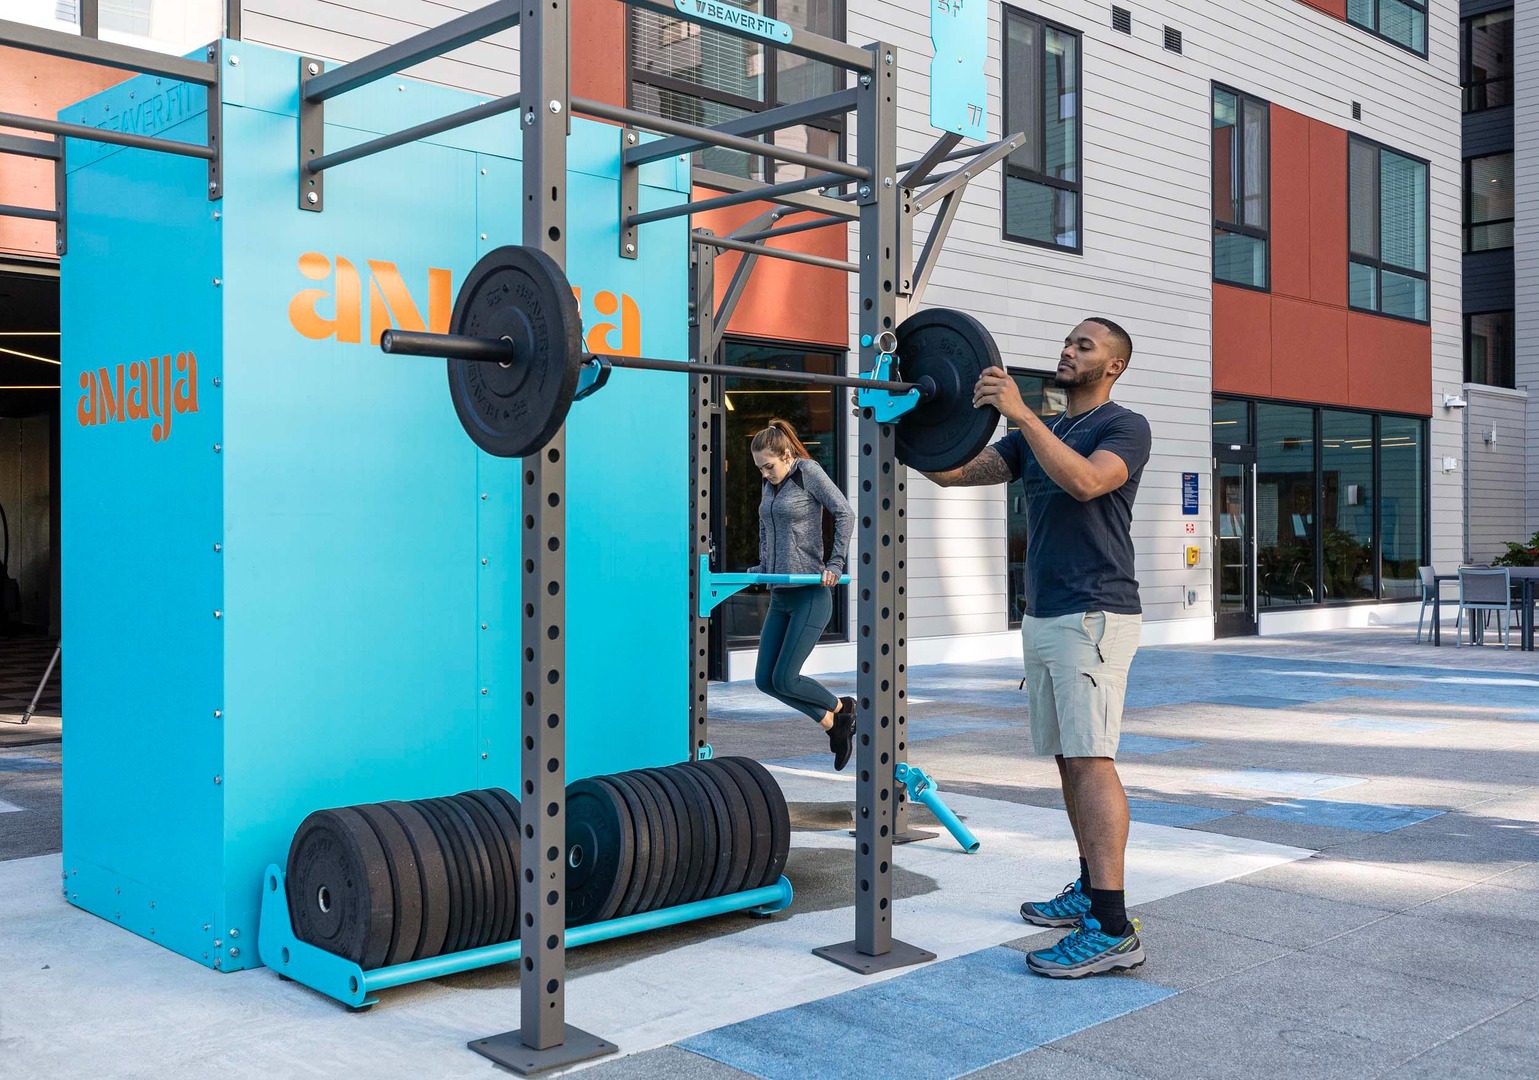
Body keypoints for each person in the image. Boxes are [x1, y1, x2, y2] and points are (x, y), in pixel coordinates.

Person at [924, 318, 1151, 978]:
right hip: (1047, 613)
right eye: (1068, 340)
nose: (1067, 350)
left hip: (1094, 612)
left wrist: (1021, 413)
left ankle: (1111, 925)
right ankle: (1088, 886)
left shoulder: (1122, 426)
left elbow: (1085, 483)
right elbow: (952, 472)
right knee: (1066, 760)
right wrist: (912, 410)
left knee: (1090, 759)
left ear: (1111, 367)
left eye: (1085, 346)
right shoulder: (1039, 434)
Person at [748, 419, 857, 770]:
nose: (766, 474)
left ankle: (843, 708)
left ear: (787, 455)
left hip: (810, 593)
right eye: (760, 469)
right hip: (781, 594)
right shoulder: (771, 485)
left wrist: (835, 563)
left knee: (786, 678)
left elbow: (844, 512)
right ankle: (832, 723)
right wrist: (763, 566)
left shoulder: (807, 471)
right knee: (766, 680)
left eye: (769, 466)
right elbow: (767, 527)